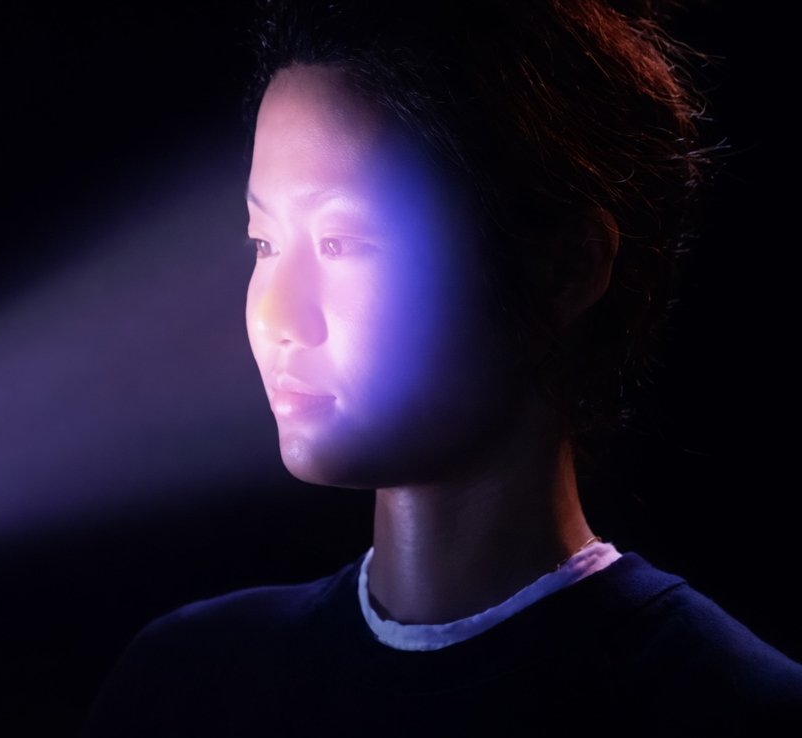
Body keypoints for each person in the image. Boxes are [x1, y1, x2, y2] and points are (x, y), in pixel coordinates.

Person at [81, 0, 802, 735]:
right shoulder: (184, 684)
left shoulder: (732, 710)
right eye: (263, 242)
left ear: (565, 269)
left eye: (341, 243)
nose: (275, 317)